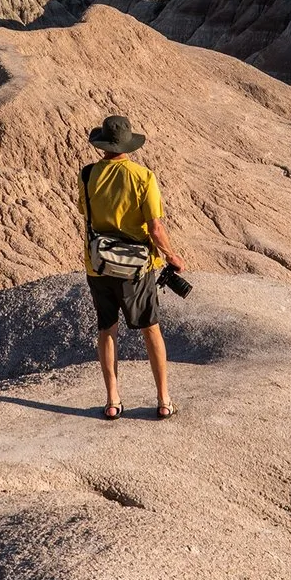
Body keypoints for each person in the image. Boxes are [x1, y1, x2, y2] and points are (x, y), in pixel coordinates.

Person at [80, 114, 187, 420]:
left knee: (107, 329)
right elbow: (155, 227)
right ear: (128, 144)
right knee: (150, 328)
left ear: (103, 145)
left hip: (98, 264)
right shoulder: (143, 177)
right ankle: (164, 399)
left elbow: (86, 215)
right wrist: (171, 256)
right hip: (136, 269)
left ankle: (113, 400)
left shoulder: (87, 175)